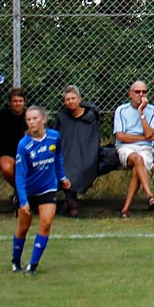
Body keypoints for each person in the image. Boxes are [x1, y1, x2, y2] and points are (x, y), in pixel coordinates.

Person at [10, 107, 67, 276]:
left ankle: (33, 265)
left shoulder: (54, 137)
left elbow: (58, 157)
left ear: (43, 120)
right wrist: (23, 200)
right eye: (28, 119)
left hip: (48, 188)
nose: (32, 122)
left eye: (35, 118)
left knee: (46, 222)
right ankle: (16, 261)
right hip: (28, 191)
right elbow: (20, 176)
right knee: (23, 227)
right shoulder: (24, 145)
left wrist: (62, 177)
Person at [50, 88, 105, 219]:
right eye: (67, 99)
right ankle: (72, 204)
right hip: (67, 155)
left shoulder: (91, 117)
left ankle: (69, 204)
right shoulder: (62, 117)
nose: (70, 102)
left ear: (79, 99)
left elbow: (92, 139)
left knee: (79, 167)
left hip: (87, 155)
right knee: (65, 167)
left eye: (73, 98)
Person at [110, 81, 154, 218]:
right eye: (137, 92)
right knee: (138, 159)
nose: (141, 94)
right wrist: (144, 138)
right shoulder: (121, 110)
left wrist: (141, 113)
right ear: (130, 94)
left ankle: (125, 210)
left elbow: (150, 134)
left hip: (146, 149)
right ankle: (149, 194)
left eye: (144, 91)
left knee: (139, 167)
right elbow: (121, 136)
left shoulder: (153, 110)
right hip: (125, 148)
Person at [0, 90, 28, 193]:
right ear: (10, 103)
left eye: (20, 101)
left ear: (24, 102)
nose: (18, 103)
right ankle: (22, 192)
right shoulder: (2, 116)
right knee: (6, 167)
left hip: (26, 154)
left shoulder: (30, 116)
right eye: (15, 101)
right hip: (7, 154)